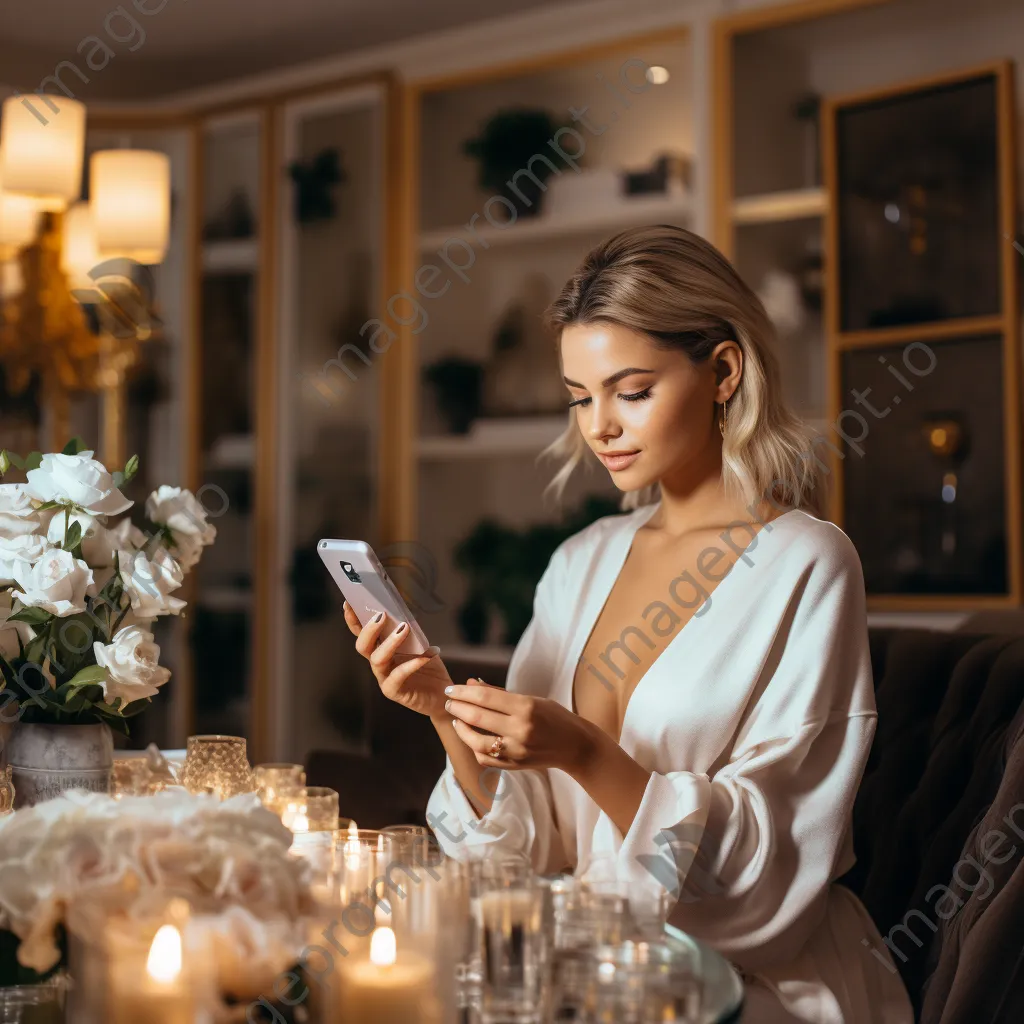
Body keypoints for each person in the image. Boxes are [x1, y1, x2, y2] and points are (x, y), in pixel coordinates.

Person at [342, 225, 913, 1023]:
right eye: (579, 397)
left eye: (631, 391)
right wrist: (443, 710)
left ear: (722, 371)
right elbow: (531, 849)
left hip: (738, 983)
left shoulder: (808, 565)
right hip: (582, 961)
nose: (598, 425)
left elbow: (770, 869)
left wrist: (584, 751)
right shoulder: (580, 560)